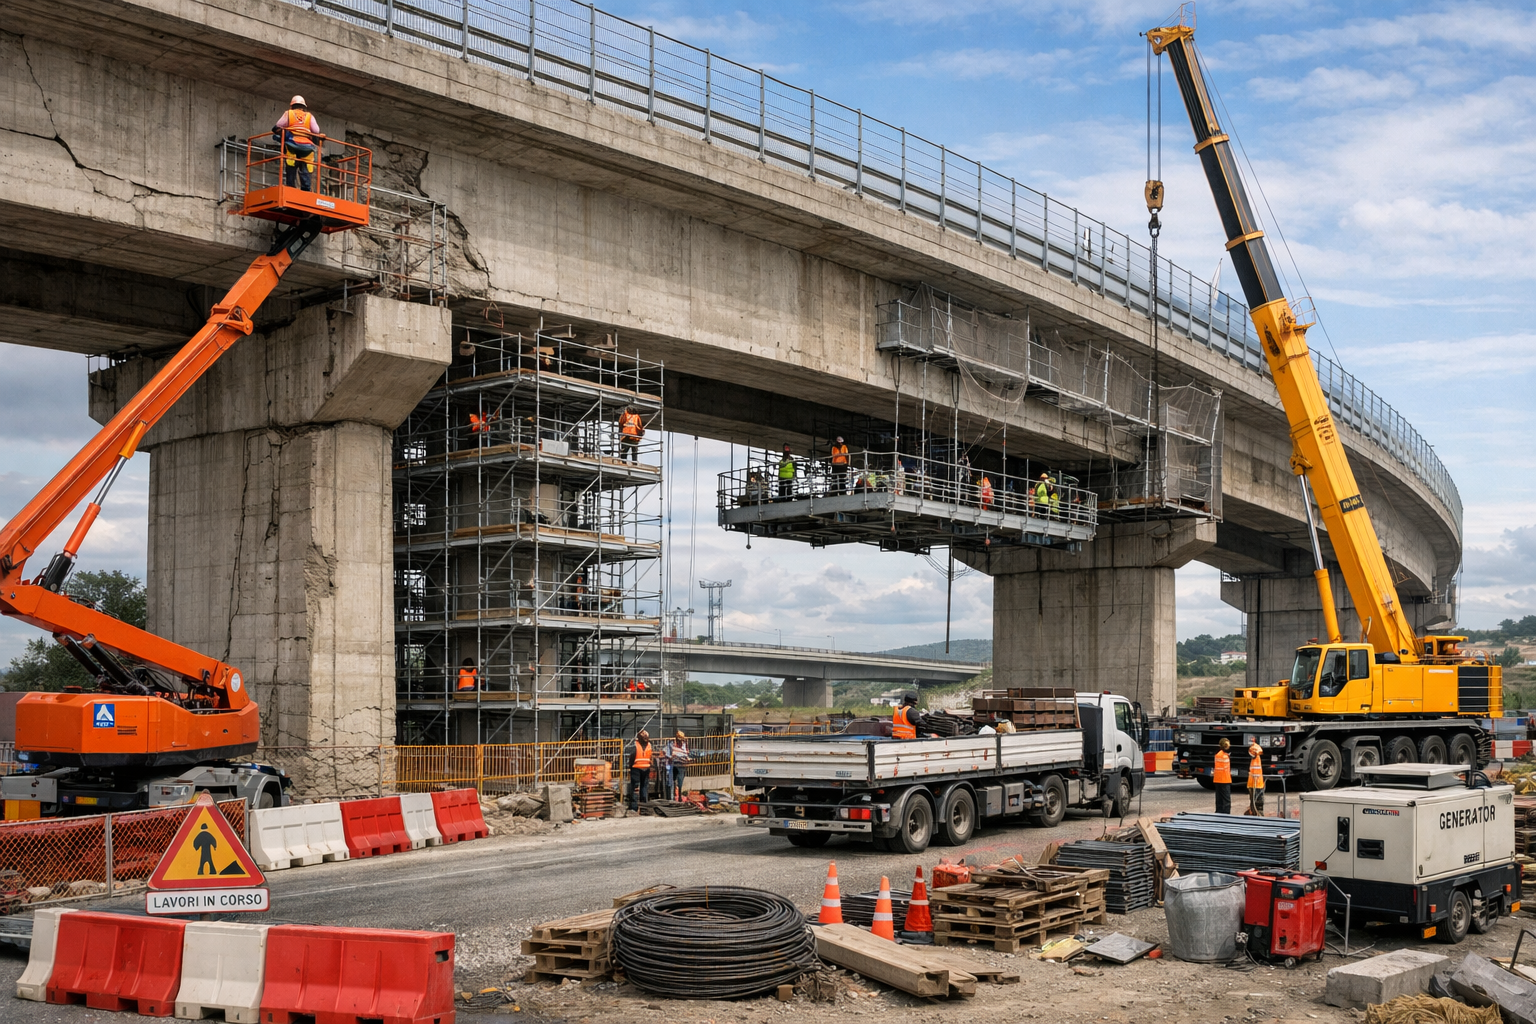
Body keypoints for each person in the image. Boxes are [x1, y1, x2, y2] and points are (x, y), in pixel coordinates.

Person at [272, 96, 321, 191]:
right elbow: (316, 130)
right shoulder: (309, 116)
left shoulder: (288, 113)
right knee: (306, 167)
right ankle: (306, 189)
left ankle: (290, 186)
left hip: (292, 144)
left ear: (292, 106)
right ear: (304, 107)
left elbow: (278, 126)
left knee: (291, 165)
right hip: (307, 147)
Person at [628, 729, 654, 810]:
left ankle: (634, 807)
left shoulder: (635, 745)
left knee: (635, 788)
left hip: (636, 768)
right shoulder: (649, 745)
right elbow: (650, 756)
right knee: (644, 787)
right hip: (646, 768)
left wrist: (630, 766)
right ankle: (644, 806)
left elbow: (632, 756)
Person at [664, 730, 692, 801]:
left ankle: (679, 797)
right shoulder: (671, 744)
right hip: (673, 765)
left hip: (682, 765)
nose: (680, 741)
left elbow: (686, 754)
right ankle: (672, 798)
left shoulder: (684, 744)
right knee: (672, 781)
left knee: (680, 782)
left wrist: (688, 759)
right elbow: (667, 754)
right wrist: (671, 757)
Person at [1246, 741, 1265, 816]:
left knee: (1257, 802)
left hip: (1256, 784)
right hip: (1254, 784)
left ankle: (1258, 814)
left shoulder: (1256, 759)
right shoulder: (1255, 759)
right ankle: (1255, 813)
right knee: (1254, 802)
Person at [1213, 737, 1232, 814]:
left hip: (1217, 779)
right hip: (1225, 779)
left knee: (1219, 799)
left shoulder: (1217, 754)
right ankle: (1226, 814)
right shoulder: (1225, 755)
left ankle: (1218, 813)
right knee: (1226, 800)